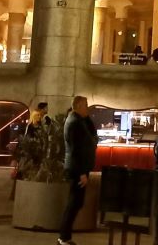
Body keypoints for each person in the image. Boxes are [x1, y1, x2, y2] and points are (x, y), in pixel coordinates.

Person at [58, 94, 98, 245]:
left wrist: (87, 118)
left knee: (76, 202)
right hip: (77, 169)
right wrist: (81, 173)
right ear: (79, 106)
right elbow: (76, 150)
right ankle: (63, 237)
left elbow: (93, 134)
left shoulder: (79, 120)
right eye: (86, 105)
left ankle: (64, 237)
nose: (87, 108)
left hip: (79, 167)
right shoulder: (74, 123)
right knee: (74, 202)